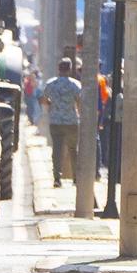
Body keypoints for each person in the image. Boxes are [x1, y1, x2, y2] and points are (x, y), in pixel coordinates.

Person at [41, 57, 82, 188]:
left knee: (57, 150)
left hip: (55, 122)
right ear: (70, 70)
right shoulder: (75, 85)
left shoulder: (51, 84)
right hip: (71, 122)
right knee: (73, 150)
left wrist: (51, 105)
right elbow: (80, 101)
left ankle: (57, 178)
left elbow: (43, 99)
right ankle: (76, 178)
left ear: (58, 69)